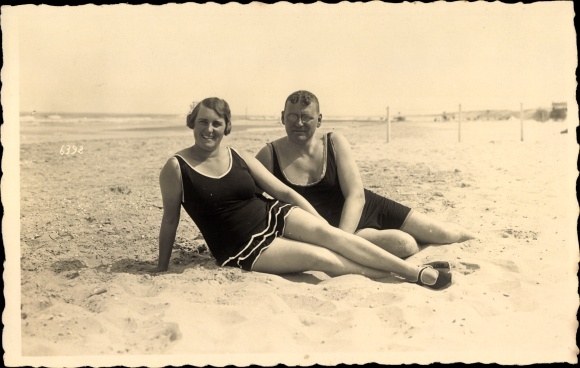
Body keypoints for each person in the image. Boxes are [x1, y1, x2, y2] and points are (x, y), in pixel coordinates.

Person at [152, 97, 453, 290]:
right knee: (324, 259)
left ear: (226, 127)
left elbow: (282, 191)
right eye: (203, 122)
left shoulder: (239, 154)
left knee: (336, 238)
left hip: (273, 213)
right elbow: (170, 221)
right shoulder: (177, 167)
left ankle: (413, 272)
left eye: (216, 123)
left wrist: (319, 223)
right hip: (242, 245)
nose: (209, 129)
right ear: (193, 123)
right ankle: (407, 275)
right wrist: (162, 267)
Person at [255, 90, 476, 258]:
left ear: (319, 120)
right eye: (292, 117)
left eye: (306, 117)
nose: (299, 123)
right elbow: (245, 197)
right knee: (405, 245)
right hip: (327, 227)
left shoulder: (333, 142)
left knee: (444, 234)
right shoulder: (269, 155)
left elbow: (356, 195)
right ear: (283, 117)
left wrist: (342, 241)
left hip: (363, 209)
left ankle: (478, 240)